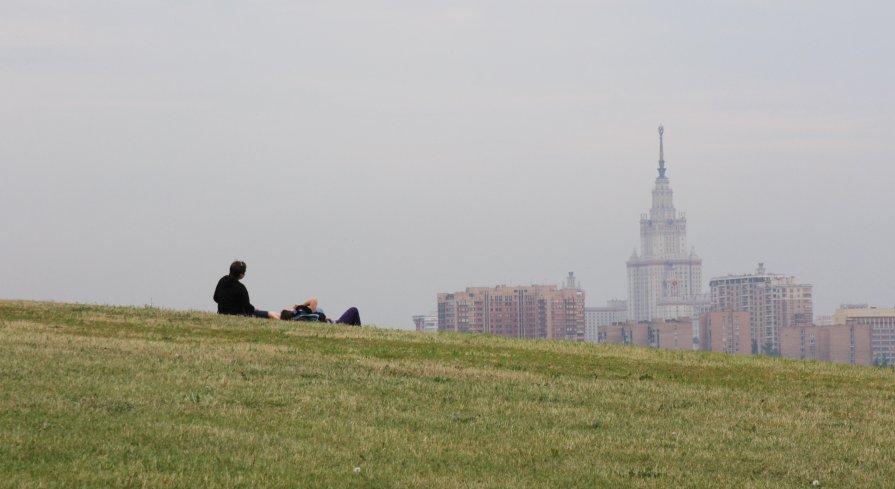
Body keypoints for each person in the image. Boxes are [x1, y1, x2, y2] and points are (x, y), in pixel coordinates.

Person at [280, 297, 362, 326]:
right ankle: (359, 333)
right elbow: (314, 300)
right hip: (334, 324)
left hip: (329, 322)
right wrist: (298, 306)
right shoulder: (301, 314)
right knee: (354, 310)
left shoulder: (297, 319)